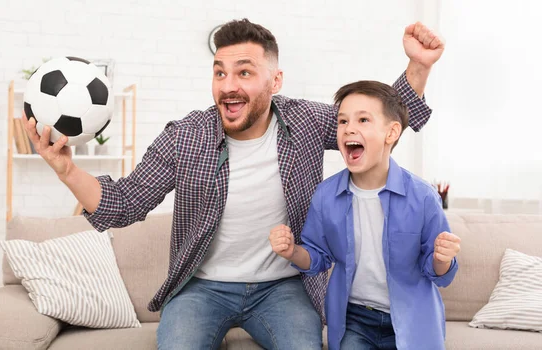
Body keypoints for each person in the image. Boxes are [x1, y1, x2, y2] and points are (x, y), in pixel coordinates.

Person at [23, 18, 444, 350]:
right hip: (202, 288)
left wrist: (418, 67)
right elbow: (124, 203)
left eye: (244, 72)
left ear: (275, 82)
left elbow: (373, 117)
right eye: (220, 72)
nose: (228, 86)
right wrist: (65, 170)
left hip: (283, 287)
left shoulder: (305, 121)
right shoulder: (186, 136)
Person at [269, 80, 461, 350]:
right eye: (342, 121)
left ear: (391, 132)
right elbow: (317, 258)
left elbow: (439, 273)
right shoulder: (326, 195)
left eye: (363, 120)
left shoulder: (423, 196)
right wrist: (291, 251)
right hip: (354, 320)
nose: (349, 128)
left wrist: (443, 258)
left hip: (411, 319)